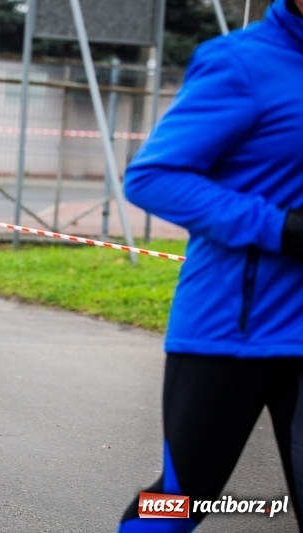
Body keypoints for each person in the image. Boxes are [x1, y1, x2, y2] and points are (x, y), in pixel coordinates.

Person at [117, 0, 303, 531]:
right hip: (232, 331)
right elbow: (153, 177)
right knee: (180, 501)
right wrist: (279, 227)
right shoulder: (240, 63)